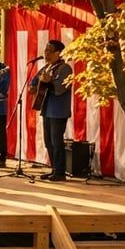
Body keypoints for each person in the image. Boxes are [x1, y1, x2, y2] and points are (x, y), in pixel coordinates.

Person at [32, 39, 74, 182]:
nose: (46, 53)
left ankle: (60, 172)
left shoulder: (66, 68)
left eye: (50, 51)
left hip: (59, 110)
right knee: (48, 141)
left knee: (57, 141)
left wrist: (49, 82)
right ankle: (54, 169)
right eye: (46, 50)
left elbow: (61, 88)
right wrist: (35, 86)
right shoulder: (46, 68)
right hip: (47, 108)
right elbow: (35, 82)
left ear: (58, 53)